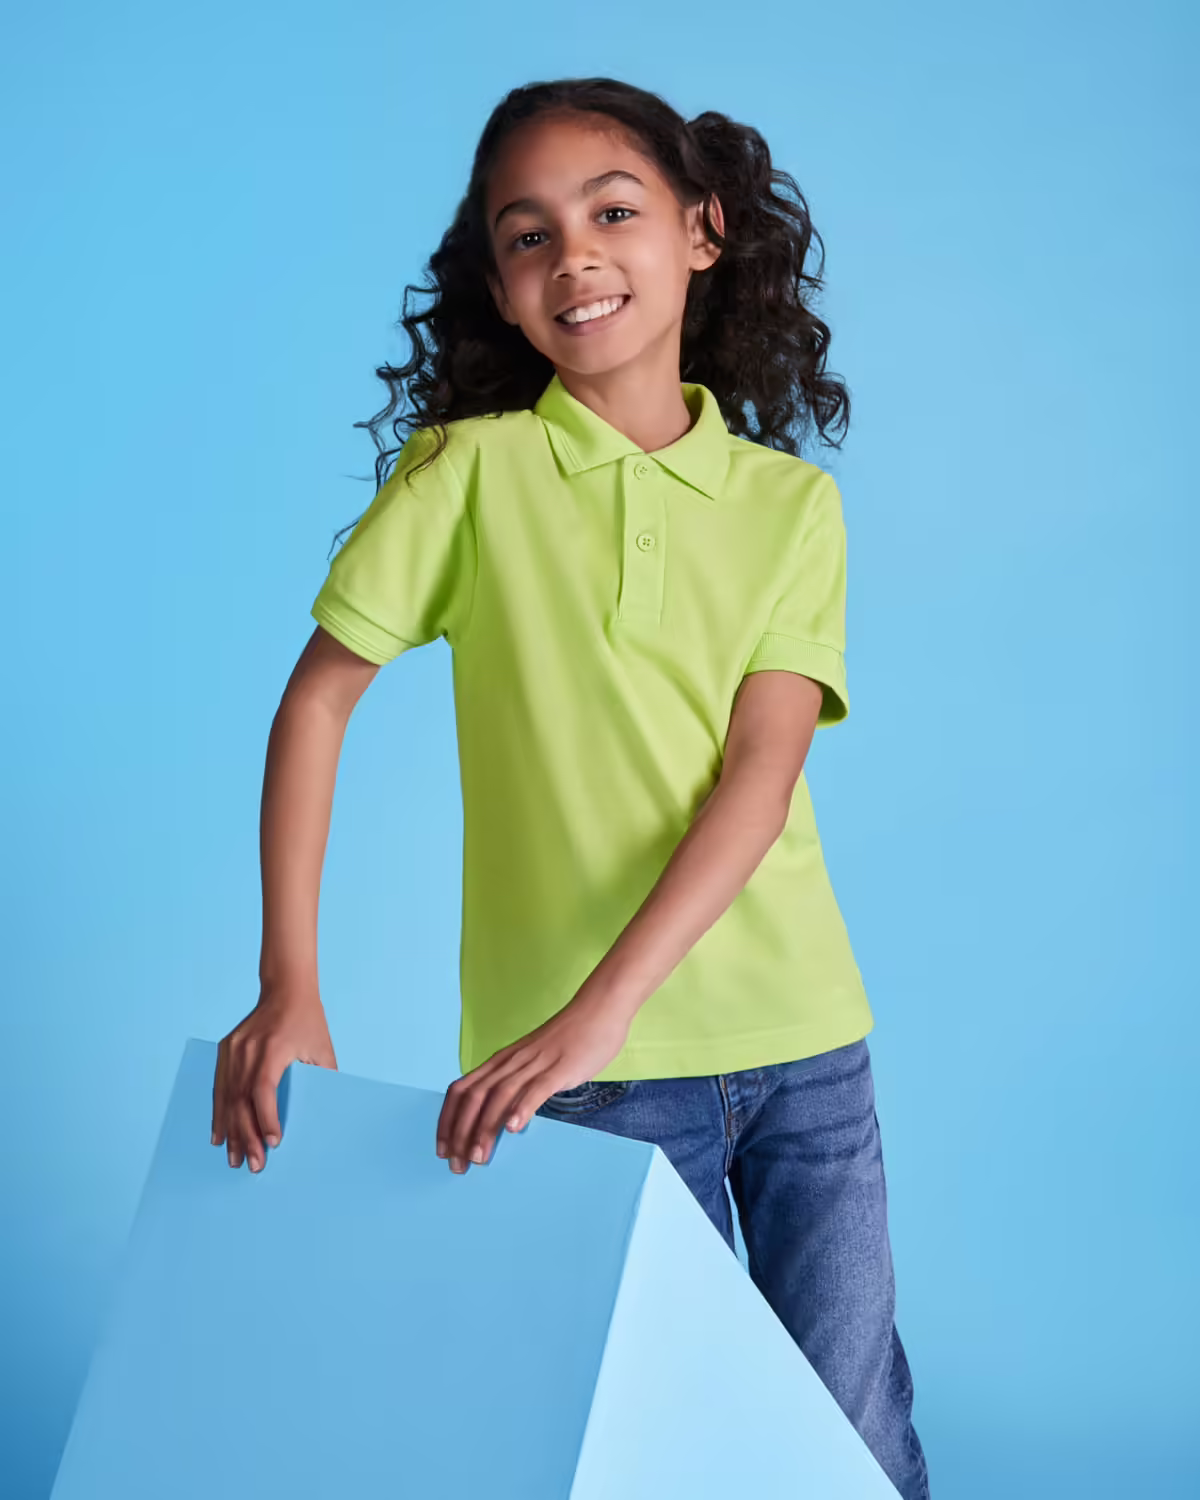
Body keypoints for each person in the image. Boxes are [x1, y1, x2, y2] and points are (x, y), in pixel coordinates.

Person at [209, 77, 931, 1500]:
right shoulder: (465, 478)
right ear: (499, 285)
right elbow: (317, 701)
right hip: (579, 1077)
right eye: (528, 235)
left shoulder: (793, 509)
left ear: (703, 231)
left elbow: (759, 778)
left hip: (800, 1041)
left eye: (612, 213)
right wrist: (289, 980)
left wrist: (599, 1011)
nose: (575, 256)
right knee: (643, 1444)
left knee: (848, 1436)